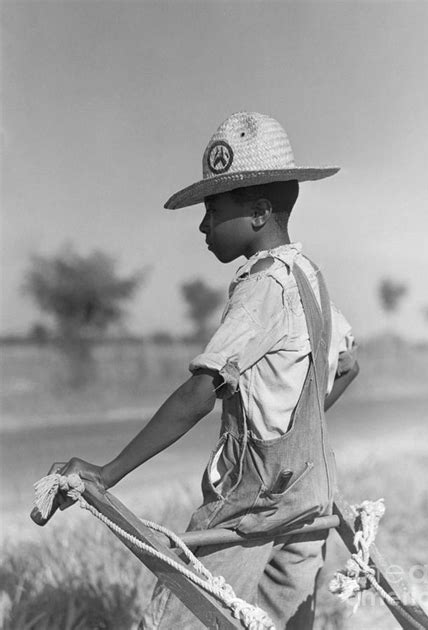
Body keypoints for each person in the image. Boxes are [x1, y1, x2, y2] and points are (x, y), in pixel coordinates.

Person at [60, 112, 359, 629]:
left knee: (177, 619)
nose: (202, 225)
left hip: (254, 505)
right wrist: (296, 426)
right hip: (311, 496)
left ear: (260, 211)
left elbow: (201, 393)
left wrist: (107, 473)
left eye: (214, 209)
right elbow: (349, 364)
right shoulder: (309, 276)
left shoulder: (262, 287)